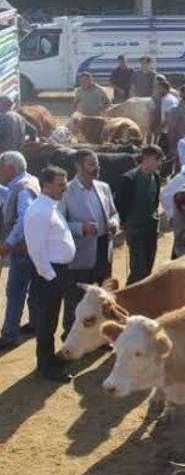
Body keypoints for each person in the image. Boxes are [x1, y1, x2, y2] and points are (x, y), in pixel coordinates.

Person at [24, 166, 76, 382]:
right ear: (46, 186)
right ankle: (46, 367)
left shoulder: (50, 206)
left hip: (56, 272)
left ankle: (49, 360)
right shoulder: (39, 211)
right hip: (49, 275)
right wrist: (52, 277)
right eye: (60, 184)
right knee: (47, 321)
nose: (64, 188)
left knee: (51, 319)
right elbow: (36, 251)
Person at [61, 149, 119, 332]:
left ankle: (103, 334)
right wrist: (80, 228)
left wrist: (114, 222)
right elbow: (60, 224)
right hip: (81, 255)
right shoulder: (66, 191)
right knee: (76, 300)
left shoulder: (103, 187)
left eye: (97, 163)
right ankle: (70, 337)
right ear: (78, 166)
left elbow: (114, 212)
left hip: (104, 249)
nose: (96, 168)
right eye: (91, 164)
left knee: (104, 298)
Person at [0, 151, 40, 350]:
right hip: (33, 247)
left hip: (23, 249)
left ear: (10, 168)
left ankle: (9, 336)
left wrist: (9, 242)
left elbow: (25, 218)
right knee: (32, 288)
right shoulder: (28, 181)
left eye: (1, 167)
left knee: (15, 291)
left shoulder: (23, 188)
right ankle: (34, 324)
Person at [115, 145, 161, 284]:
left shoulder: (156, 177)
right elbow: (120, 203)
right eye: (156, 159)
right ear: (146, 159)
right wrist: (124, 223)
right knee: (138, 269)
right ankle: (129, 297)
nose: (159, 163)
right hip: (135, 229)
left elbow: (155, 200)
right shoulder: (129, 179)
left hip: (151, 228)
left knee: (148, 267)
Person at [165, 84, 185, 170]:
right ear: (182, 94)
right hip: (181, 146)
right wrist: (173, 148)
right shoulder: (176, 109)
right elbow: (171, 129)